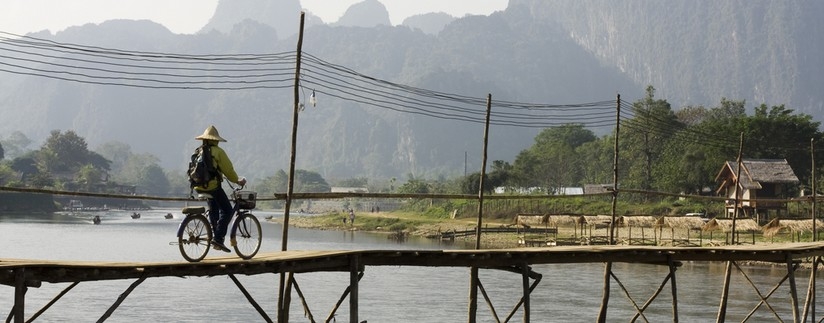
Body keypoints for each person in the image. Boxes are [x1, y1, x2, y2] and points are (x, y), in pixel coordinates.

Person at [192, 125, 247, 253]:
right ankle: (218, 238)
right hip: (212, 187)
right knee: (227, 210)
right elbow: (228, 170)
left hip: (199, 187)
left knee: (214, 209)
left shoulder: (199, 151)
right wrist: (237, 180)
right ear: (215, 140)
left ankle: (214, 231)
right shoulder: (218, 152)